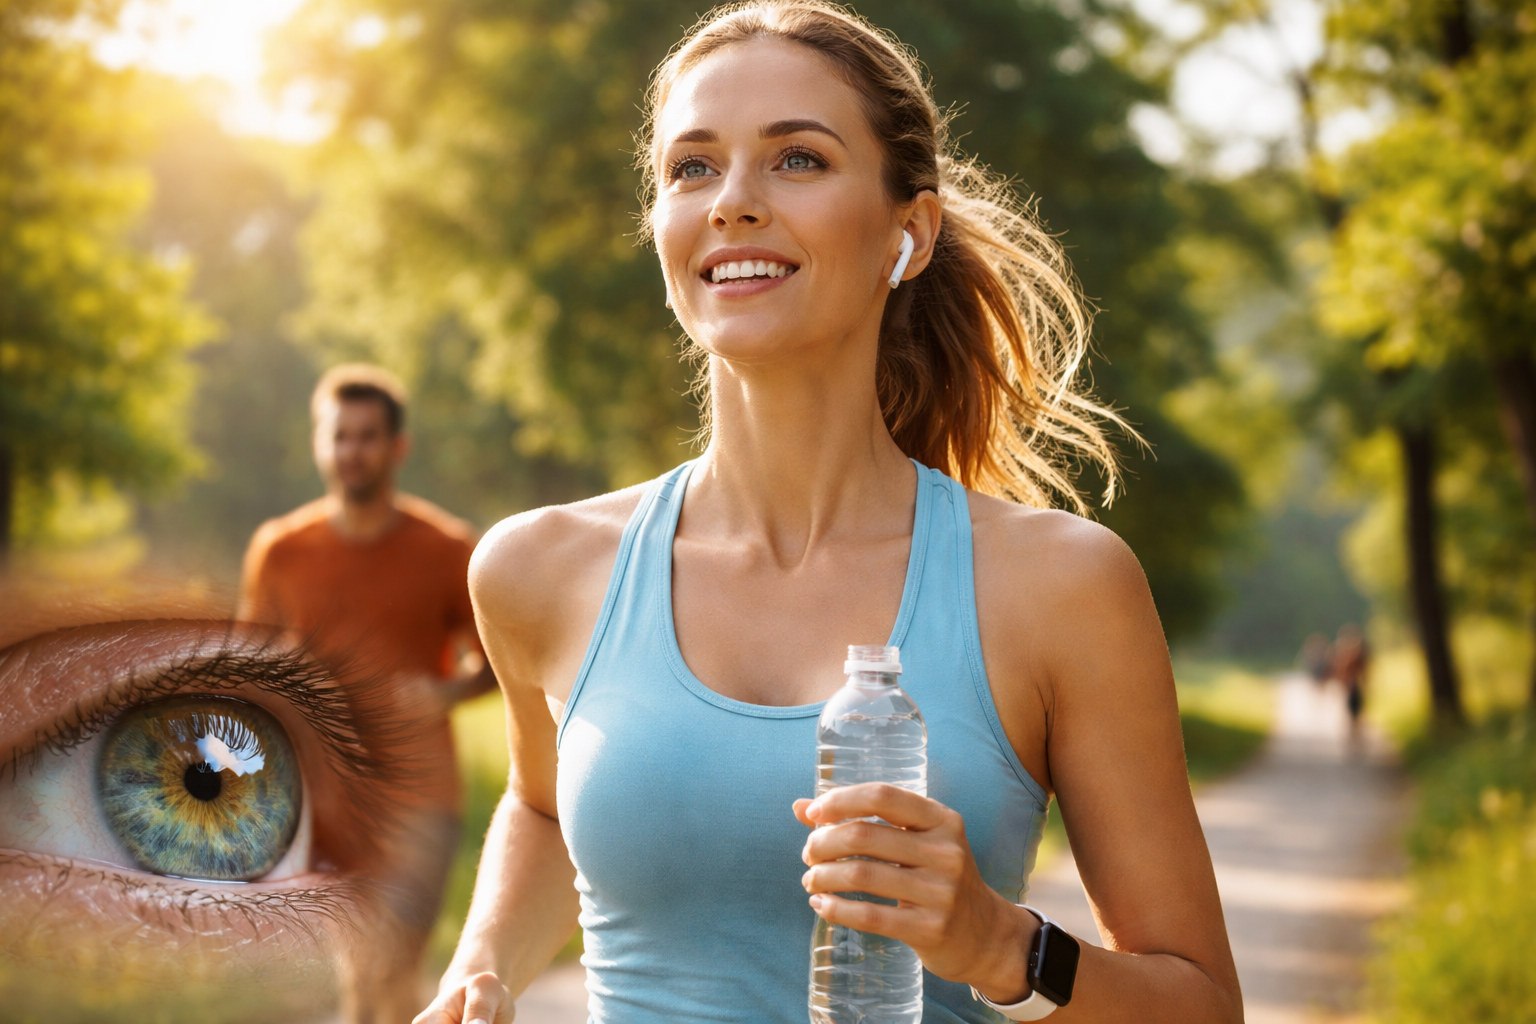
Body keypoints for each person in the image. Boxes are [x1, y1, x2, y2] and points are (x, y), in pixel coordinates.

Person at [419, 4, 1241, 1023]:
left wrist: (1000, 942)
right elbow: (543, 805)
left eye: (797, 159)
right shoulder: (538, 570)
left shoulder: (1060, 587)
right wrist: (479, 963)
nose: (733, 202)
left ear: (911, 230)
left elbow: (1201, 1004)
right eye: (692, 167)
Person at [239, 363, 495, 1022]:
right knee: (365, 981)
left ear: (396, 448)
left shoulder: (445, 549)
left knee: (389, 964)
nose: (352, 451)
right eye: (340, 436)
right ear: (320, 444)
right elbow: (249, 667)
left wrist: (442, 693)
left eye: (367, 436)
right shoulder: (281, 551)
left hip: (420, 796)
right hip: (326, 797)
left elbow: (496, 662)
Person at [1332, 623, 1371, 741]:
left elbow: (1363, 671)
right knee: (1352, 712)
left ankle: (1355, 734)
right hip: (1351, 687)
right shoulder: (1347, 655)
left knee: (1355, 712)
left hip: (1354, 687)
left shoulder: (1354, 655)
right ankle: (1354, 735)